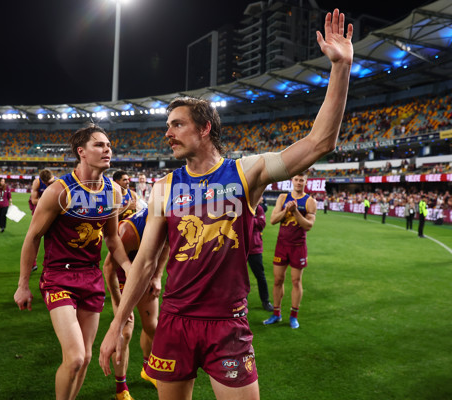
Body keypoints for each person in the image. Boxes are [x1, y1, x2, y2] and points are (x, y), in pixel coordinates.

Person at [99, 10, 353, 399]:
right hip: (176, 321)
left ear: (204, 129)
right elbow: (146, 263)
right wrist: (117, 325)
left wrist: (340, 68)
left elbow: (319, 143)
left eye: (176, 124)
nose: (167, 133)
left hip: (227, 325)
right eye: (167, 125)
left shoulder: (245, 173)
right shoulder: (164, 187)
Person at [14, 124, 132, 400]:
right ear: (81, 152)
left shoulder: (114, 191)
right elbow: (32, 237)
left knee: (87, 357)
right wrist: (23, 284)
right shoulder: (59, 190)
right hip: (59, 277)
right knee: (76, 357)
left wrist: (130, 270)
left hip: (91, 278)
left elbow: (113, 240)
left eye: (108, 145)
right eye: (99, 145)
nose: (107, 150)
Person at [103, 207, 170, 399]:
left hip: (144, 275)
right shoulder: (130, 232)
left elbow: (166, 246)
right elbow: (108, 268)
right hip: (122, 278)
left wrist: (157, 276)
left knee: (152, 327)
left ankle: (147, 369)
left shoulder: (171, 220)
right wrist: (118, 302)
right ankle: (121, 389)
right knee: (124, 333)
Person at [264, 173, 316, 329]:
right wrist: (286, 210)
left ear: (306, 182)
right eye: (296, 179)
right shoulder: (282, 197)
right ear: (292, 181)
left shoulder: (310, 201)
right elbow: (273, 220)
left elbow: (308, 226)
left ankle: (294, 316)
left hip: (298, 247)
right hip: (282, 245)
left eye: (302, 180)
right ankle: (276, 313)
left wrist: (295, 212)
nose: (299, 182)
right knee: (278, 280)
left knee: (296, 281)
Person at [247, 199, 273, 312]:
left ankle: (265, 301)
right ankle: (241, 301)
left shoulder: (259, 208)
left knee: (260, 275)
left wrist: (248, 219)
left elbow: (261, 224)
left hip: (254, 248)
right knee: (239, 277)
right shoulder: (241, 206)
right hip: (240, 247)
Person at [28, 169, 55, 272]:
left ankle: (53, 263)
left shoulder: (58, 182)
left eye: (50, 182)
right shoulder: (37, 182)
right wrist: (48, 200)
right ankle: (32, 262)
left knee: (53, 237)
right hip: (40, 209)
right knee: (35, 236)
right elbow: (34, 200)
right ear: (43, 182)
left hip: (53, 211)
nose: (49, 184)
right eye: (47, 183)